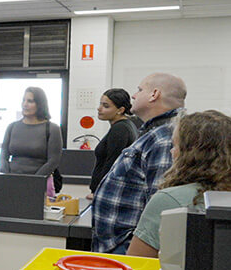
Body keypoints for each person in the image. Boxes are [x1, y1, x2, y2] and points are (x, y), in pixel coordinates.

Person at [92, 72, 187, 254]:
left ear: (154, 94)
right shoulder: (154, 132)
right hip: (120, 242)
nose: (134, 95)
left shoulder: (164, 138)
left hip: (128, 246)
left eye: (140, 89)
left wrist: (135, 250)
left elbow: (159, 207)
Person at [126, 110, 231, 258]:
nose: (171, 151)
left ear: (191, 154)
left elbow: (138, 263)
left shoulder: (169, 200)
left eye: (175, 145)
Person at [0, 87, 62, 187]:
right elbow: (3, 156)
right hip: (11, 182)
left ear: (40, 104)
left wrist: (33, 181)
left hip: (38, 183)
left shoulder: (52, 129)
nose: (25, 104)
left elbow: (53, 161)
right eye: (23, 100)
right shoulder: (12, 127)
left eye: (30, 101)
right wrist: (7, 177)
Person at [88, 88, 139, 197]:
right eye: (100, 104)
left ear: (120, 110)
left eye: (106, 106)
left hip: (108, 192)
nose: (99, 108)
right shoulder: (125, 125)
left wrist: (99, 191)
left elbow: (111, 164)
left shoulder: (120, 129)